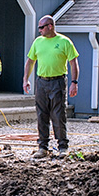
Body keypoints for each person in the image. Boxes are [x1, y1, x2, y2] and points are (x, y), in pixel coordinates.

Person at [23, 16, 79, 159]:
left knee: (58, 114)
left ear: (50, 26)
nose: (39, 30)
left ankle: (63, 147)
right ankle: (43, 147)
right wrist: (26, 80)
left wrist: (74, 82)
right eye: (39, 28)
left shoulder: (64, 42)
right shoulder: (38, 42)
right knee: (42, 114)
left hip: (57, 82)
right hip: (41, 82)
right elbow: (30, 62)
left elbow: (73, 63)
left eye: (42, 27)